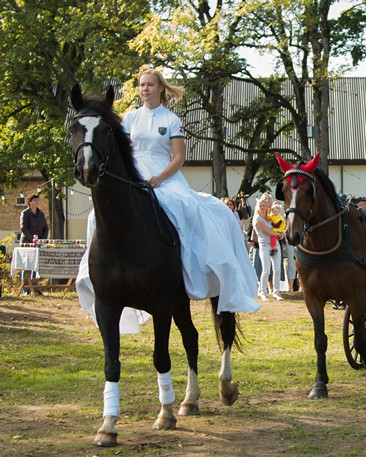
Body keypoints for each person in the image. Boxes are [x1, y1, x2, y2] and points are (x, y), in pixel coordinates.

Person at [77, 66, 260, 332]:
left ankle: (187, 267)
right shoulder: (128, 119)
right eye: (141, 85)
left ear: (161, 88)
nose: (144, 89)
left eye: (150, 84)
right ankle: (95, 272)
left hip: (166, 177)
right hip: (133, 175)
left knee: (182, 206)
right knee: (97, 215)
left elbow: (178, 159)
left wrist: (159, 179)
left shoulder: (172, 120)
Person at [253, 196, 284, 301]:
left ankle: (276, 292)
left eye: (264, 206)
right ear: (257, 207)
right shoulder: (257, 219)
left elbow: (278, 226)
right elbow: (267, 231)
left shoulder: (270, 217)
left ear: (267, 207)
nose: (262, 207)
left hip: (275, 244)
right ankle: (262, 292)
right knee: (266, 270)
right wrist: (278, 234)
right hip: (264, 245)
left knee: (277, 269)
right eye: (260, 206)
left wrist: (282, 232)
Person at [19, 193, 49, 295]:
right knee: (27, 266)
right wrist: (32, 239)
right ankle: (26, 289)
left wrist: (43, 240)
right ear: (30, 202)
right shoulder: (25, 213)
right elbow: (23, 228)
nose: (36, 202)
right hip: (28, 242)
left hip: (39, 243)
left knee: (36, 266)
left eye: (37, 200)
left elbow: (45, 228)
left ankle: (35, 288)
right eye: (34, 200)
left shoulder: (41, 214)